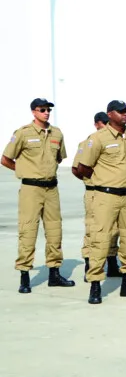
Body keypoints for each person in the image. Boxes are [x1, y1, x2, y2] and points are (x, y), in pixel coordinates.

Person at [76, 100, 126, 304]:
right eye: (120, 111)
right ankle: (95, 285)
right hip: (105, 196)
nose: (124, 114)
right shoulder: (98, 138)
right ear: (109, 114)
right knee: (100, 240)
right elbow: (83, 168)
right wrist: (103, 181)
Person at [2, 98, 73, 293]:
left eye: (48, 109)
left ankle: (54, 273)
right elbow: (6, 159)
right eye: (42, 110)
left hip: (51, 189)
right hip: (30, 190)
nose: (46, 112)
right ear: (34, 112)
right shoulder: (23, 133)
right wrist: (24, 170)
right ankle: (24, 275)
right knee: (28, 231)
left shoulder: (56, 133)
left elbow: (58, 158)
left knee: (54, 231)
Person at [73, 112, 119, 282]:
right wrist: (93, 179)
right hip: (94, 191)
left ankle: (112, 263)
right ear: (96, 124)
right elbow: (77, 169)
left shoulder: (116, 141)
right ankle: (89, 265)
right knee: (93, 228)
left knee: (114, 228)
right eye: (104, 123)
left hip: (111, 192)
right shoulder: (87, 143)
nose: (107, 126)